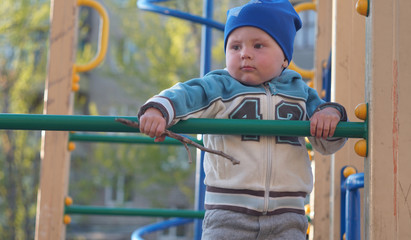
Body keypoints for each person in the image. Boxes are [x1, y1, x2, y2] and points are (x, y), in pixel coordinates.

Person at [138, 0, 348, 239]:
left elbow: (326, 141)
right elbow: (186, 93)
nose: (245, 53)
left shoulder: (299, 91)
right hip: (228, 213)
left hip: (287, 214)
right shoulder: (220, 85)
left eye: (258, 45)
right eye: (235, 47)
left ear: (284, 58)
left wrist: (331, 115)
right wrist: (158, 111)